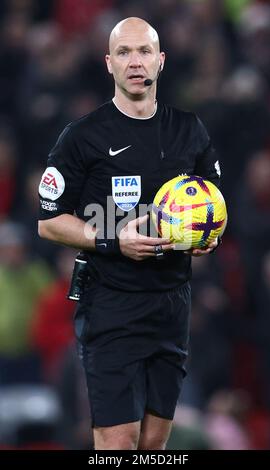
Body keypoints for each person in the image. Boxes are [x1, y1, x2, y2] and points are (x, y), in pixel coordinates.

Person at [38, 17, 221, 450]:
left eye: (143, 52)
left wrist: (207, 237)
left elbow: (213, 207)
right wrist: (113, 241)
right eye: (124, 52)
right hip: (111, 306)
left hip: (172, 304)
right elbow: (48, 222)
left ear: (161, 61)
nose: (134, 62)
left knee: (153, 448)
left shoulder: (189, 130)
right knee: (118, 444)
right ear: (108, 63)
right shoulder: (81, 138)